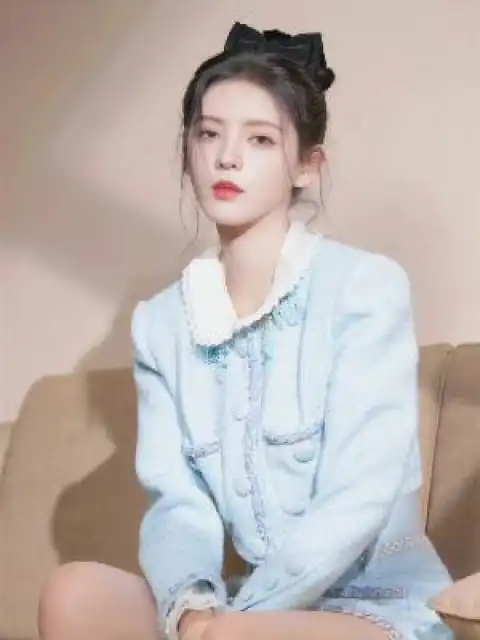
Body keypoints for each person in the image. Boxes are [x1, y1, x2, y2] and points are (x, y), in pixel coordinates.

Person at [38, 21, 454, 640]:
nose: (226, 157)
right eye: (209, 133)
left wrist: (235, 620)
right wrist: (192, 610)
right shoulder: (161, 326)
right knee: (73, 592)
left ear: (307, 165)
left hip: (376, 604)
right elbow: (179, 505)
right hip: (242, 609)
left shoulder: (365, 287)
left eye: (260, 139)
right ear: (188, 149)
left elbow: (359, 498)